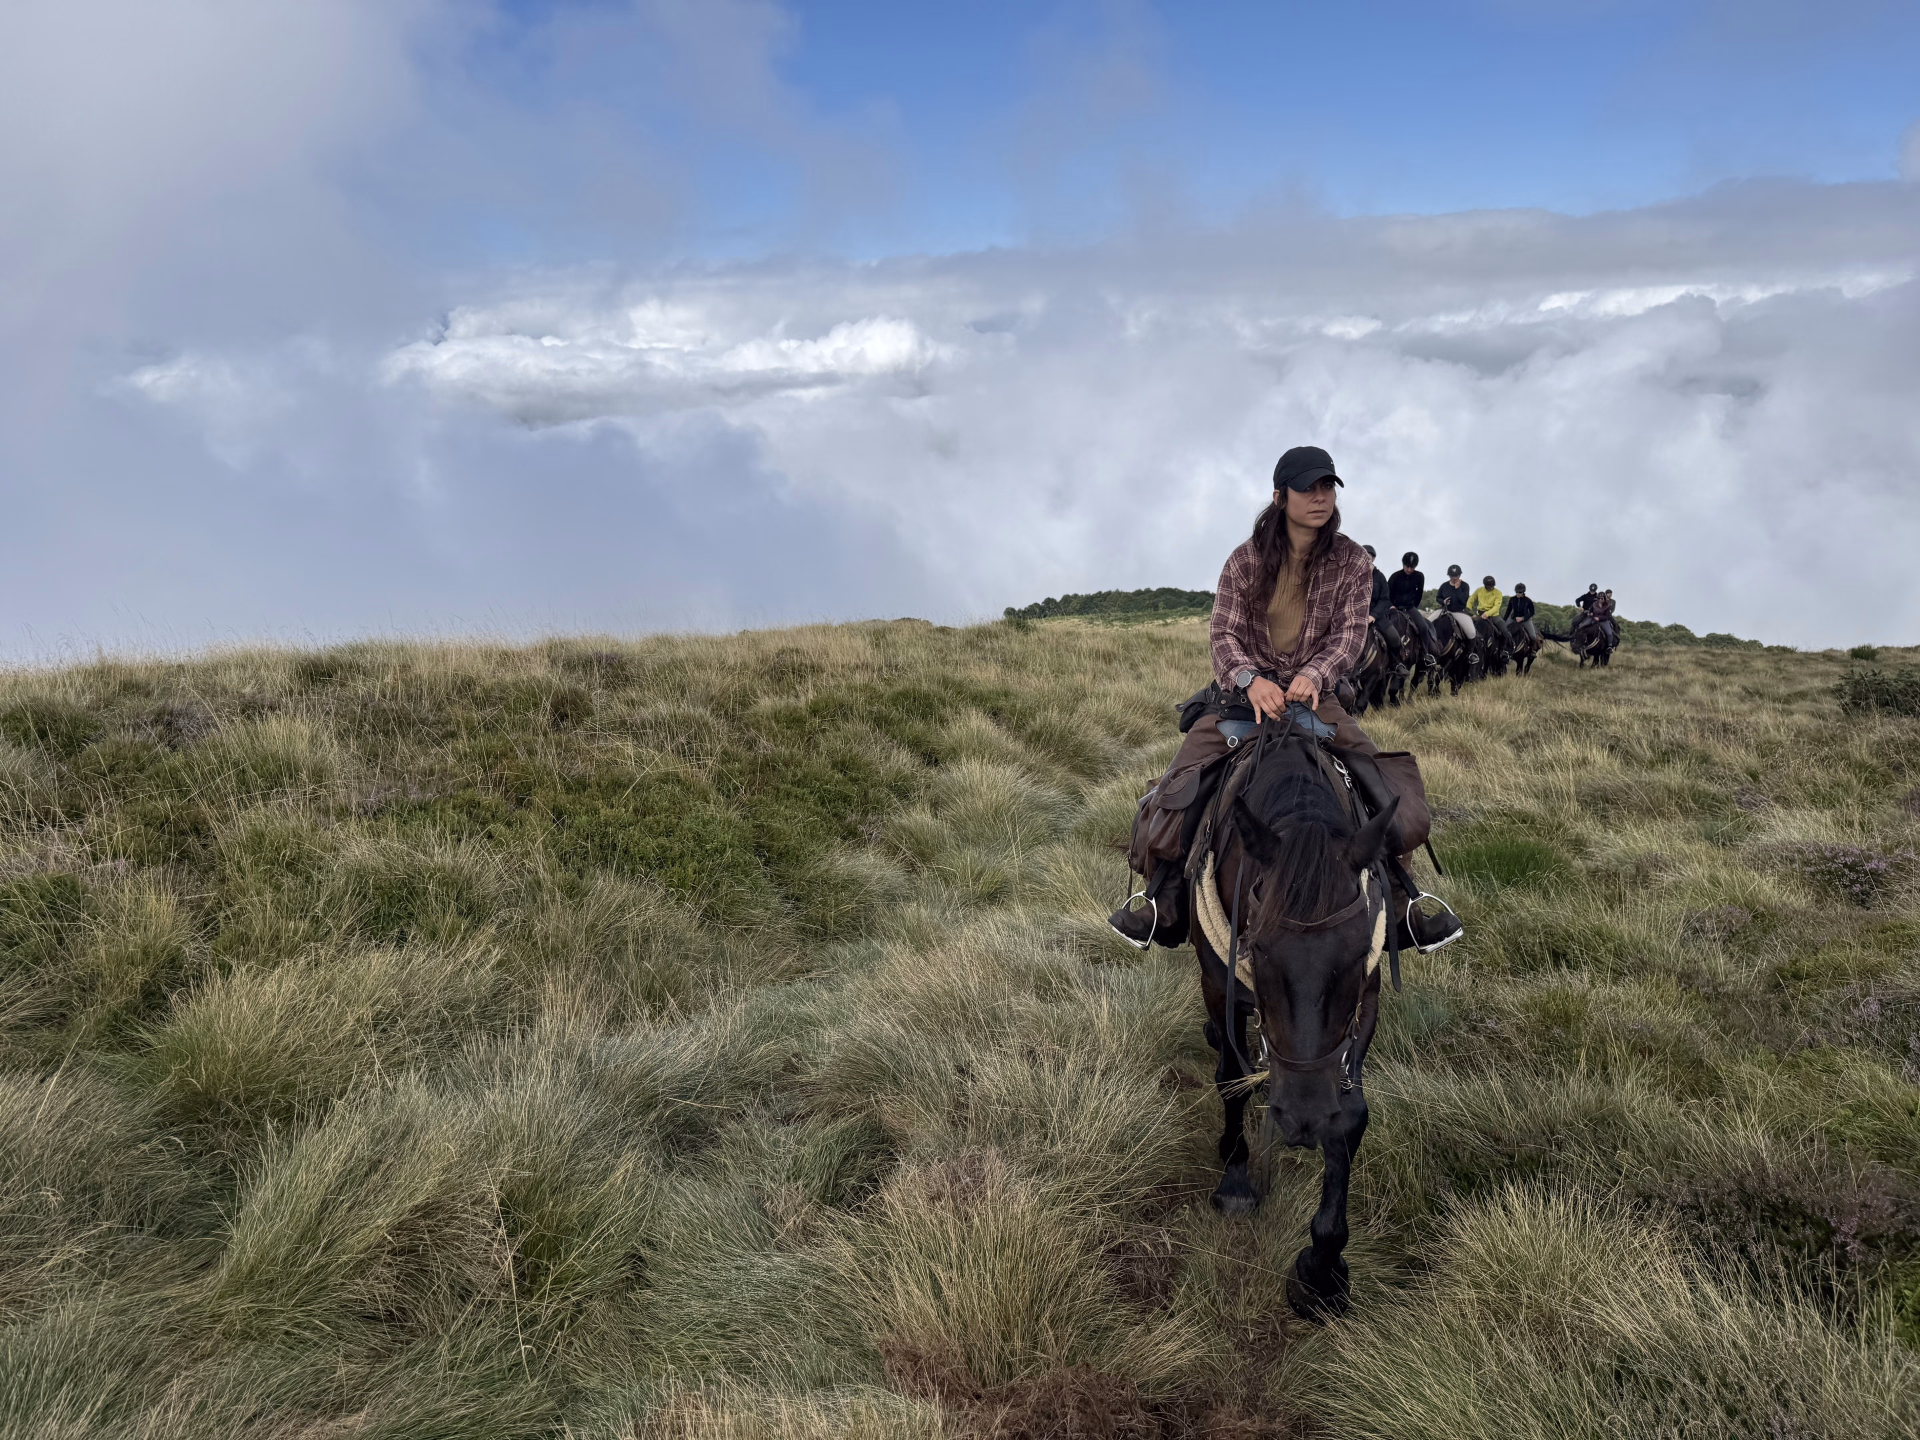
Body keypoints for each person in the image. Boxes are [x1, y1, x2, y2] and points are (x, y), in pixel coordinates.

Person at [1108, 445, 1461, 954]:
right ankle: (1162, 901)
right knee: (1179, 785)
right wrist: (1251, 680)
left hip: (1317, 697)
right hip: (1241, 697)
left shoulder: (1352, 561)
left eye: (1327, 488)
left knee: (1378, 778)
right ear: (1279, 496)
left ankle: (1406, 902)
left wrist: (1316, 674)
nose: (1320, 498)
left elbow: (1349, 635)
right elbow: (1223, 633)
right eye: (1307, 488)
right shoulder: (1245, 560)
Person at [1386, 550, 1437, 651]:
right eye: (1407, 567)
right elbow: (1387, 595)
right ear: (1403, 564)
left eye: (1412, 567)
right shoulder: (1395, 576)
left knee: (1423, 627)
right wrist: (1391, 606)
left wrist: (1413, 606)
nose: (1409, 569)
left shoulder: (1419, 576)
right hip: (1394, 608)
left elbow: (1419, 594)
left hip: (1410, 608)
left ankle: (1426, 653)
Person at [1435, 564, 1474, 641]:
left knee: (1472, 633)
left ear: (1460, 575)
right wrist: (1443, 601)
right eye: (1452, 576)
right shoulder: (1444, 585)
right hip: (1444, 610)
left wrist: (1457, 588)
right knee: (1427, 622)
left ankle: (1470, 652)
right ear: (1449, 576)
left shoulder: (1465, 586)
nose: (1455, 578)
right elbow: (1438, 598)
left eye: (1457, 576)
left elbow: (1464, 600)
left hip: (1459, 612)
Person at [1363, 545, 1390, 628]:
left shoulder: (1380, 577)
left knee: (1394, 637)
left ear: (1373, 559)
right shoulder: (1353, 576)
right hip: (1356, 615)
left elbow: (1384, 599)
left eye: (1368, 557)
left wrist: (1373, 615)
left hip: (1376, 615)